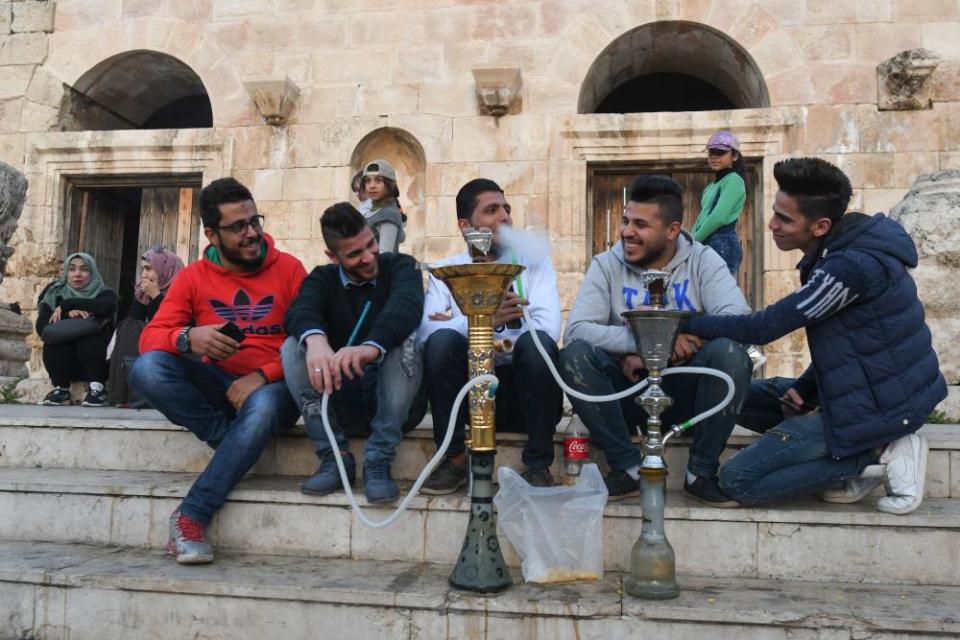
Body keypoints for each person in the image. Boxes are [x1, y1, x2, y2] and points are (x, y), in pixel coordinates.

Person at [682, 157, 946, 515]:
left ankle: (874, 452)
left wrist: (689, 324)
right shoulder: (836, 251)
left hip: (881, 409)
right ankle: (857, 448)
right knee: (728, 390)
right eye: (775, 212)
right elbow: (855, 344)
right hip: (862, 393)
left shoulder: (848, 269)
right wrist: (806, 389)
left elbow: (764, 328)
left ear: (821, 225)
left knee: (737, 481)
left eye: (785, 219)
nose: (772, 225)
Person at [130, 177, 307, 563]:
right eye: (238, 227)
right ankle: (230, 440)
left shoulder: (291, 270)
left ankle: (191, 515)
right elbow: (150, 339)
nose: (252, 233)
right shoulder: (193, 277)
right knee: (147, 369)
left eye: (254, 221)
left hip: (274, 388)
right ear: (211, 234)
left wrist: (262, 376)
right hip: (219, 388)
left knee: (261, 409)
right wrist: (188, 338)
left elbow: (309, 342)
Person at [559, 175, 753, 504]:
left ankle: (701, 472)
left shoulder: (703, 260)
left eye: (640, 225)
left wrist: (684, 339)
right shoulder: (606, 265)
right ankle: (627, 468)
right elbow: (577, 330)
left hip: (687, 394)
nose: (626, 232)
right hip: (628, 392)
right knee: (574, 356)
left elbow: (739, 321)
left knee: (732, 355)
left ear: (673, 230)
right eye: (624, 221)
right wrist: (646, 344)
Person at [418, 178, 563, 492]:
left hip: (523, 395)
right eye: (492, 210)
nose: (505, 218)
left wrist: (462, 322)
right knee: (441, 343)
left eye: (507, 210)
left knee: (537, 347)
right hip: (470, 395)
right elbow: (428, 334)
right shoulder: (447, 271)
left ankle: (539, 465)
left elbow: (548, 329)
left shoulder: (532, 264)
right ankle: (454, 458)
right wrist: (480, 320)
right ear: (465, 224)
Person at [282, 202, 425, 504]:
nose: (369, 257)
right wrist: (316, 342)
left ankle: (378, 458)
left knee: (407, 340)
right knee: (293, 347)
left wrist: (370, 347)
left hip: (393, 402)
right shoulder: (322, 277)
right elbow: (299, 310)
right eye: (355, 254)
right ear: (333, 257)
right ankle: (334, 456)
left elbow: (407, 307)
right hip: (341, 398)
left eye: (370, 244)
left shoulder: (401, 266)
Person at [106, 245, 184, 406]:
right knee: (129, 327)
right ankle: (124, 393)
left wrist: (156, 295)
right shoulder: (145, 290)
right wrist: (141, 296)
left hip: (177, 347)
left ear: (165, 269)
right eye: (143, 269)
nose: (144, 274)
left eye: (149, 268)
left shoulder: (183, 289)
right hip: (152, 345)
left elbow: (173, 322)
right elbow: (135, 321)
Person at [36, 252, 117, 407]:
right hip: (64, 364)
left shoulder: (104, 293)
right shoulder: (54, 294)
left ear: (92, 272)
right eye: (72, 269)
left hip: (96, 363)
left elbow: (108, 307)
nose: (77, 274)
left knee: (88, 337)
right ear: (66, 272)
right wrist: (68, 318)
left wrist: (70, 304)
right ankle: (61, 389)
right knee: (57, 337)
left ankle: (98, 389)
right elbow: (42, 328)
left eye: (84, 269)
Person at [691, 130, 747, 275]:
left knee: (720, 295)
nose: (714, 157)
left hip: (722, 242)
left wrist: (692, 241)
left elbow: (718, 217)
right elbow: (702, 218)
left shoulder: (734, 180)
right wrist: (691, 240)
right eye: (711, 152)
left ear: (734, 156)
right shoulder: (710, 187)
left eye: (720, 152)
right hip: (706, 242)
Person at [359, 159, 406, 253]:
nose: (372, 186)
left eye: (378, 180)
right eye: (367, 181)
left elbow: (384, 256)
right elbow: (401, 237)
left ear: (390, 184)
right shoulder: (374, 208)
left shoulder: (388, 214)